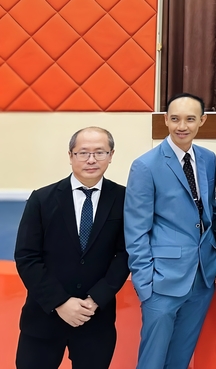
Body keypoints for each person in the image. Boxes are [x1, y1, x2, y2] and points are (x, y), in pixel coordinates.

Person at [14, 127, 128, 369]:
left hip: (95, 318)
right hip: (44, 318)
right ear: (70, 155)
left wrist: (96, 300)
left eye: (99, 152)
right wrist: (60, 302)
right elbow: (27, 257)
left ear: (111, 154)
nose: (91, 159)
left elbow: (126, 254)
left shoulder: (124, 199)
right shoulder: (42, 199)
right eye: (83, 152)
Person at [124, 93, 216, 369]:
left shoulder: (208, 159)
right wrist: (145, 285)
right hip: (162, 282)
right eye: (175, 119)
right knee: (152, 362)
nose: (182, 126)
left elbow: (206, 211)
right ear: (165, 120)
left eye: (190, 119)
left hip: (201, 278)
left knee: (180, 359)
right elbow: (136, 230)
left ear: (202, 121)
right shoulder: (146, 165)